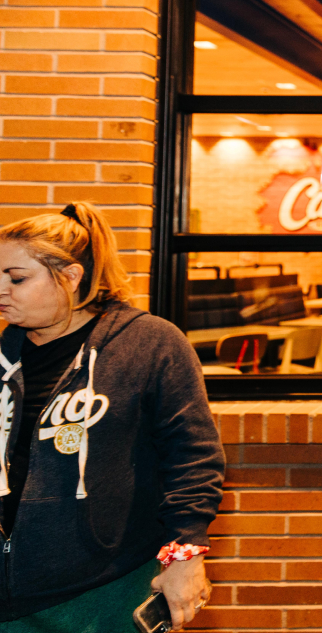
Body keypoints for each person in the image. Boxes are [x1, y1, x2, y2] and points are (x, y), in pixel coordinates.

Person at [0, 202, 223, 632]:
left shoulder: (149, 343)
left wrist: (185, 555)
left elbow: (193, 458)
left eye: (17, 278)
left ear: (70, 276)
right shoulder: (5, 351)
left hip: (103, 591)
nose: (1, 290)